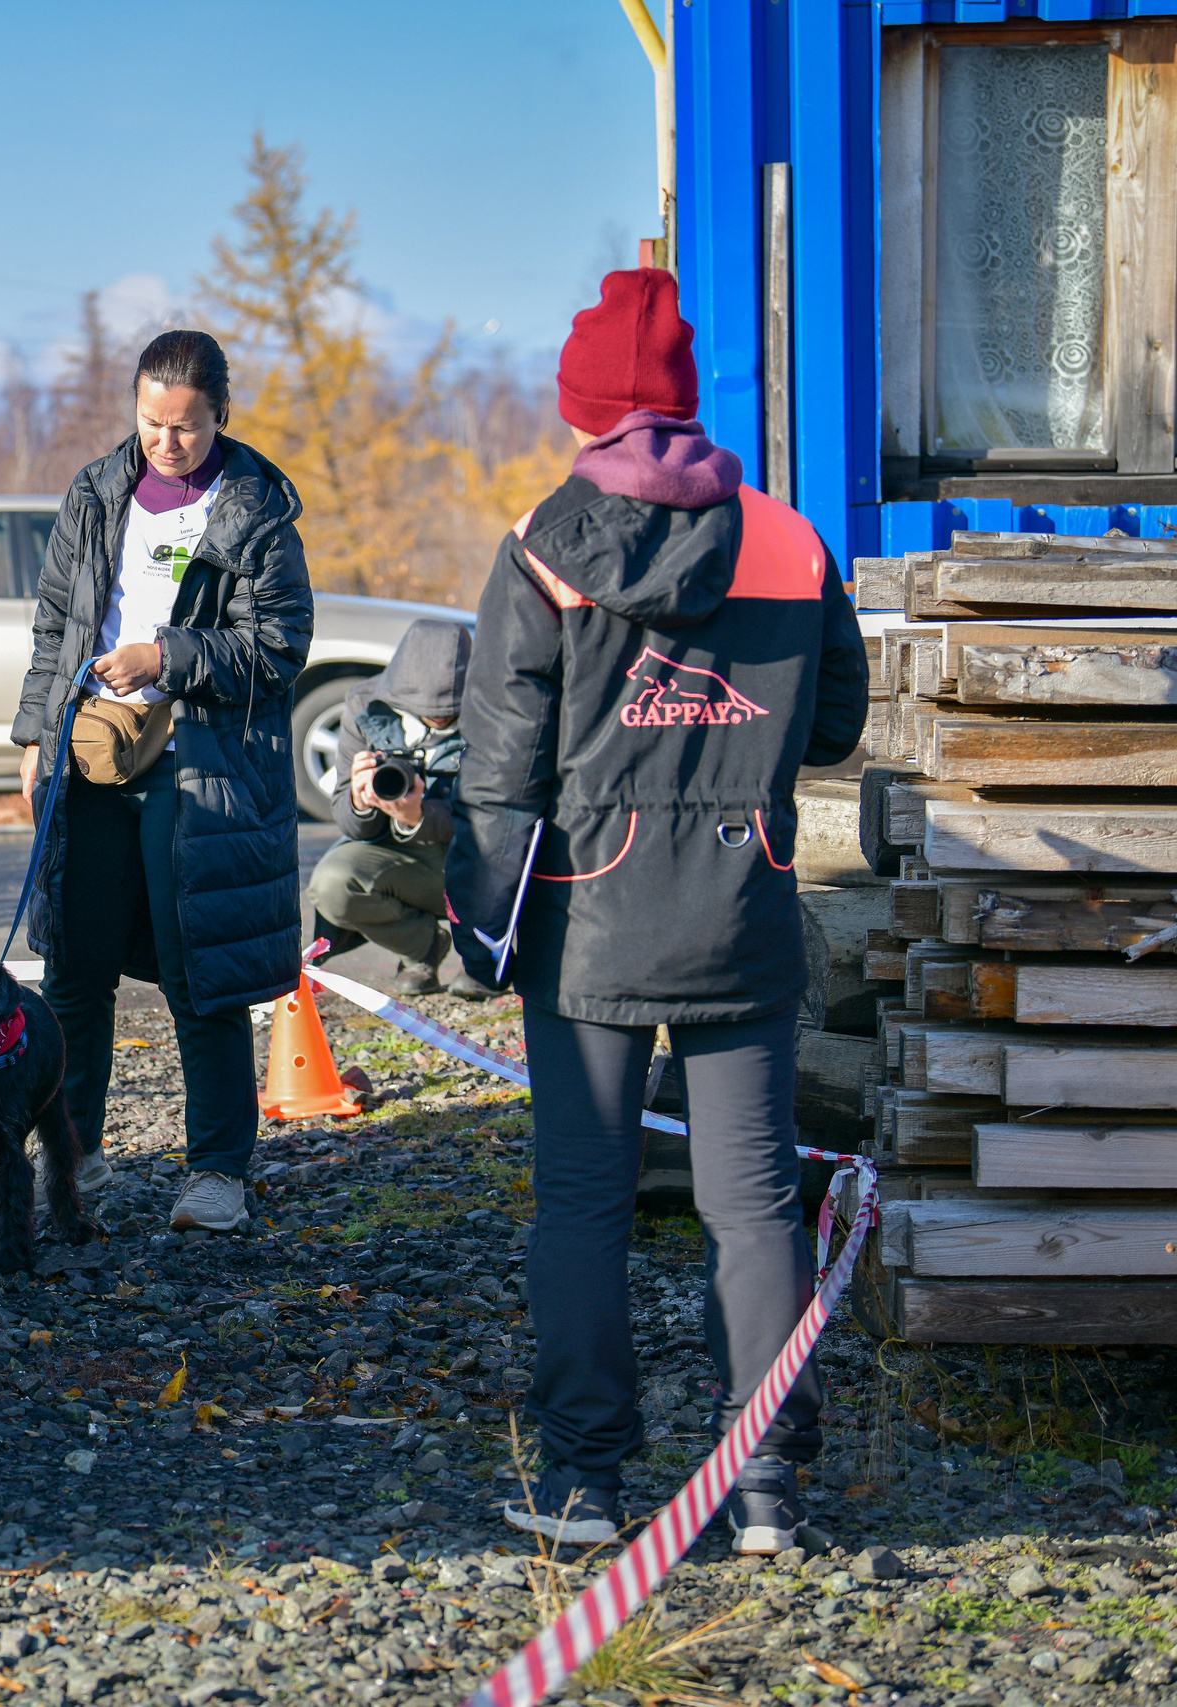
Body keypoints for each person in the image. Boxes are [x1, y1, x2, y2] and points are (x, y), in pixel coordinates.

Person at [446, 268, 866, 1549]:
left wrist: (478, 929)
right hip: (743, 912)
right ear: (684, 401)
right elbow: (837, 728)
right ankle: (767, 1488)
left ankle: (582, 1483)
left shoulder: (537, 547)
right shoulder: (788, 542)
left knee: (581, 1205)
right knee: (752, 1205)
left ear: (583, 409)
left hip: (588, 930)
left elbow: (498, 775)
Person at [13, 329, 314, 1233]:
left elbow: (280, 646)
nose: (165, 443)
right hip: (93, 755)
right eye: (150, 423)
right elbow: (56, 623)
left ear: (221, 413)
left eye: (184, 427)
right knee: (75, 966)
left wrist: (166, 657)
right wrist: (34, 737)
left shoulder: (257, 510)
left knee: (200, 976)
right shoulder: (98, 491)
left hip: (202, 766)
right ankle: (76, 1158)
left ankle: (217, 1173)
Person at [302, 619, 495, 999]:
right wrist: (361, 802)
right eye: (428, 709)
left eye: (449, 710)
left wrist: (421, 818)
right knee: (332, 884)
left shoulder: (495, 713)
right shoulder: (367, 708)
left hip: (481, 862)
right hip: (406, 862)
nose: (439, 717)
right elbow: (349, 820)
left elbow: (501, 816)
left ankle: (500, 963)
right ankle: (422, 947)